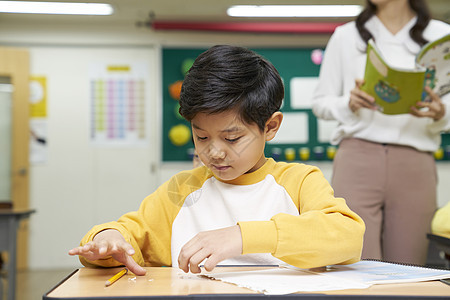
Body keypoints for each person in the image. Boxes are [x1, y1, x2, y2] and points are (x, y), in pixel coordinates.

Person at [69, 45, 365, 275]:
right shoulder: (181, 190)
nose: (215, 152)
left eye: (232, 138)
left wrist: (242, 236)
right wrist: (109, 240)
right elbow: (131, 235)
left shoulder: (299, 182)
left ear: (271, 127)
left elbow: (348, 237)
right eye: (202, 137)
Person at [312, 0, 450, 265]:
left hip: (415, 159)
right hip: (358, 157)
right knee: (354, 262)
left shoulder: (441, 36)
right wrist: (347, 102)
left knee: (409, 266)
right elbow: (321, 102)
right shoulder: (346, 35)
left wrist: (440, 111)